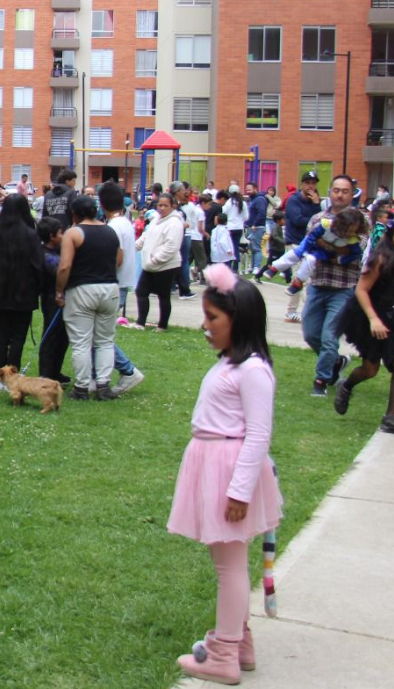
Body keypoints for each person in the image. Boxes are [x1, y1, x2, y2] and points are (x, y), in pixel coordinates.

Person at [167, 263, 282, 685]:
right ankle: (241, 641)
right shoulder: (234, 365)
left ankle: (223, 654)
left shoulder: (253, 370)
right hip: (215, 464)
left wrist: (239, 490)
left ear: (241, 320)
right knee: (229, 563)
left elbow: (258, 436)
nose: (204, 325)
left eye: (213, 318)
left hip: (228, 470)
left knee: (229, 566)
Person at [303, 176, 370, 396]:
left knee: (329, 337)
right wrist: (334, 248)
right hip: (318, 284)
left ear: (352, 194)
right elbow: (310, 249)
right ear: (330, 192)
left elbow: (354, 253)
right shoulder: (317, 218)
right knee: (311, 334)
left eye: (345, 191)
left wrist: (325, 246)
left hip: (344, 287)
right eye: (336, 190)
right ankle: (337, 362)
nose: (339, 195)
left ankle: (321, 380)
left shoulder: (360, 221)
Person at [55, 196, 122, 400]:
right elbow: (119, 259)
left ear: (74, 214)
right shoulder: (110, 231)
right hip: (110, 287)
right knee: (105, 340)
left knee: (81, 342)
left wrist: (59, 290)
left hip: (82, 289)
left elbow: (65, 266)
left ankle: (82, 387)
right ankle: (103, 385)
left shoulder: (73, 233)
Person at [337, 217, 394, 432]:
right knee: (370, 369)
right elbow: (361, 290)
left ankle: (390, 417)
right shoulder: (380, 258)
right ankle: (347, 385)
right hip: (374, 314)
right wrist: (373, 319)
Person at [0, 195, 42, 389]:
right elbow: (37, 265)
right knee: (18, 335)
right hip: (25, 291)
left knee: (2, 334)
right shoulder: (30, 235)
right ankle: (11, 375)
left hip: (0, 290)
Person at [98, 182, 146, 394]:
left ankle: (127, 371)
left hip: (115, 284)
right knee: (100, 335)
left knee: (100, 336)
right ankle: (97, 376)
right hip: (122, 283)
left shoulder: (114, 227)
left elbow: (116, 258)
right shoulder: (125, 222)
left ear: (102, 203)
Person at [260, 207, 366, 296]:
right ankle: (275, 267)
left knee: (310, 260)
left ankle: (298, 282)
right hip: (311, 242)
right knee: (296, 253)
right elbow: (313, 234)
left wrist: (340, 260)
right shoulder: (326, 225)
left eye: (353, 231)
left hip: (323, 252)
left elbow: (356, 254)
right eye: (347, 230)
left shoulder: (352, 239)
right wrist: (307, 247)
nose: (348, 234)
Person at [133, 193, 186, 331]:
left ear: (172, 206)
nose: (161, 208)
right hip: (150, 264)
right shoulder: (156, 219)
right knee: (141, 291)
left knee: (163, 295)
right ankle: (140, 322)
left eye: (165, 205)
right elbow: (146, 237)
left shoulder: (175, 223)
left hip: (165, 265)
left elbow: (171, 247)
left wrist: (155, 260)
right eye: (159, 205)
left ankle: (162, 325)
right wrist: (133, 247)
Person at [282, 171, 323, 323]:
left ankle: (295, 311)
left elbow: (322, 221)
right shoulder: (294, 200)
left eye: (313, 183)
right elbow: (298, 220)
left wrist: (316, 205)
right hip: (295, 244)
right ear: (302, 184)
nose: (311, 186)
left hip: (311, 245)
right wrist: (314, 217)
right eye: (308, 183)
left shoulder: (315, 202)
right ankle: (298, 312)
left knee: (308, 279)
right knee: (300, 279)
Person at [36, 218, 70, 385]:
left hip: (62, 298)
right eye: (60, 233)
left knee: (63, 337)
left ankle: (55, 371)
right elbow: (59, 272)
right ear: (51, 236)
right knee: (51, 335)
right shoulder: (46, 255)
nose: (63, 235)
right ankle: (46, 374)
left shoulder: (58, 250)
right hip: (51, 298)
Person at [171, 182, 199, 299]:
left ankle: (175, 286)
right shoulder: (174, 205)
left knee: (177, 261)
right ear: (177, 192)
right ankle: (183, 288)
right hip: (181, 235)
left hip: (182, 234)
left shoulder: (181, 206)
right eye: (183, 190)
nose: (185, 192)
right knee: (182, 262)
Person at [254, 210, 286, 285]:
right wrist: (283, 241)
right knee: (269, 265)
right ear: (278, 221)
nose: (285, 221)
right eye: (283, 219)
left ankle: (288, 278)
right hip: (275, 250)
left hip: (280, 249)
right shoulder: (275, 228)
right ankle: (257, 276)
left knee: (284, 263)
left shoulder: (279, 227)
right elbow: (275, 237)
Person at [243, 183, 269, 275]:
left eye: (249, 189)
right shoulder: (252, 200)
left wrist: (255, 224)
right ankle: (252, 266)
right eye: (247, 189)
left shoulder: (260, 199)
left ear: (255, 189)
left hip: (257, 227)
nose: (248, 191)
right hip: (251, 226)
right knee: (252, 248)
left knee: (256, 248)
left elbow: (261, 213)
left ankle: (256, 267)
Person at [222, 185, 245, 271]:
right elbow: (246, 216)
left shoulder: (229, 202)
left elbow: (223, 212)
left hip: (230, 227)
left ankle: (230, 264)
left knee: (230, 246)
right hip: (239, 227)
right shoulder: (242, 203)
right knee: (235, 245)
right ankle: (235, 265)